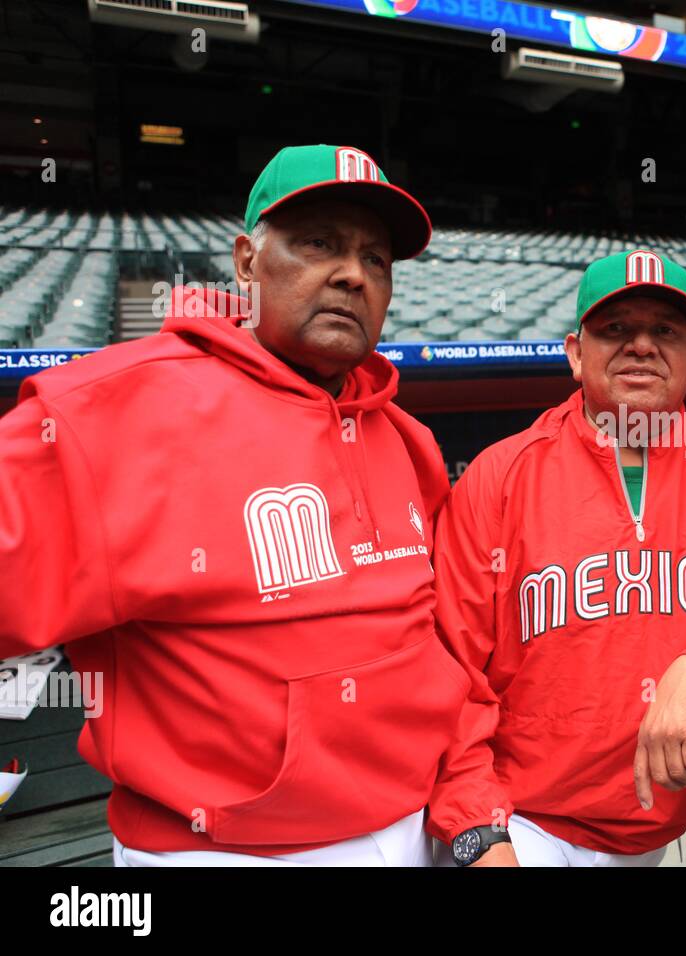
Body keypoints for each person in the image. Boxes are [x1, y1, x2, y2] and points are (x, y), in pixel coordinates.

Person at [0, 144, 478, 866]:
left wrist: (475, 821)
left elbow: (442, 655)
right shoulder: (111, 412)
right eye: (319, 242)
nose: (354, 274)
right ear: (248, 260)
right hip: (230, 851)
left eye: (376, 260)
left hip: (419, 827)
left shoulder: (405, 437)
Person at [426, 249, 686, 866]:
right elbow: (449, 672)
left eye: (665, 331)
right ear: (575, 354)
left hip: (654, 835)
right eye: (616, 329)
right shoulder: (500, 476)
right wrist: (477, 831)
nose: (641, 346)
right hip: (523, 828)